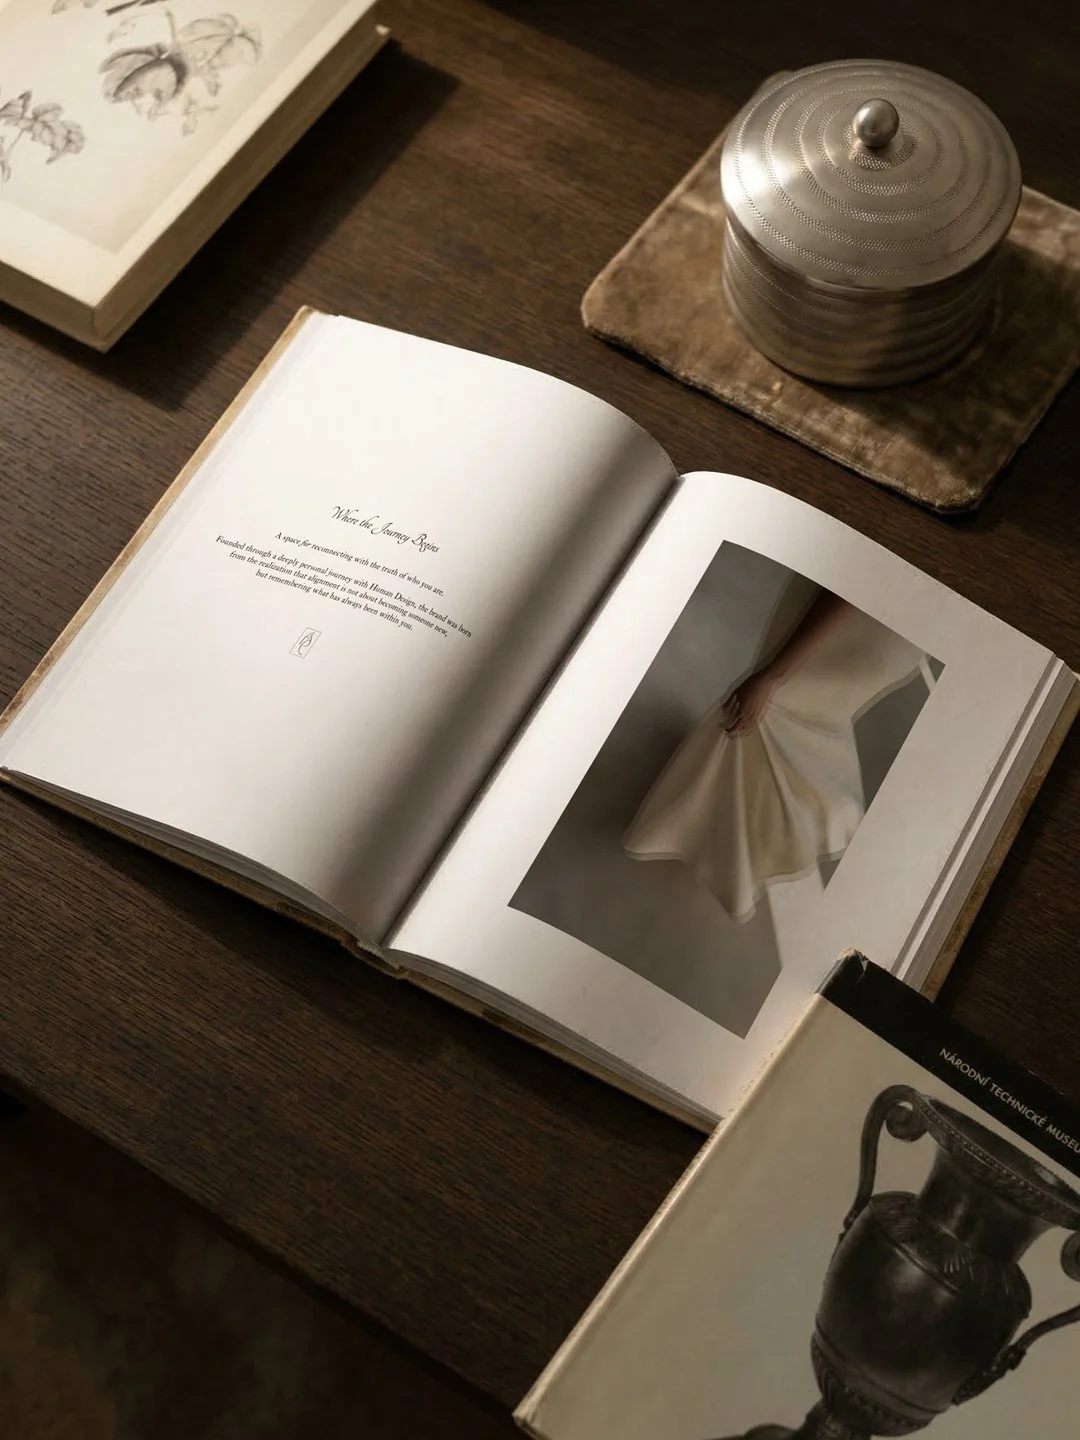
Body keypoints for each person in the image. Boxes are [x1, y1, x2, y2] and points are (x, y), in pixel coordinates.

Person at [622, 586, 932, 921]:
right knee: (797, 721)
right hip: (906, 641)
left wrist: (771, 675)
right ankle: (760, 833)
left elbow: (853, 587)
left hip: (864, 621)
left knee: (763, 710)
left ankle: (733, 847)